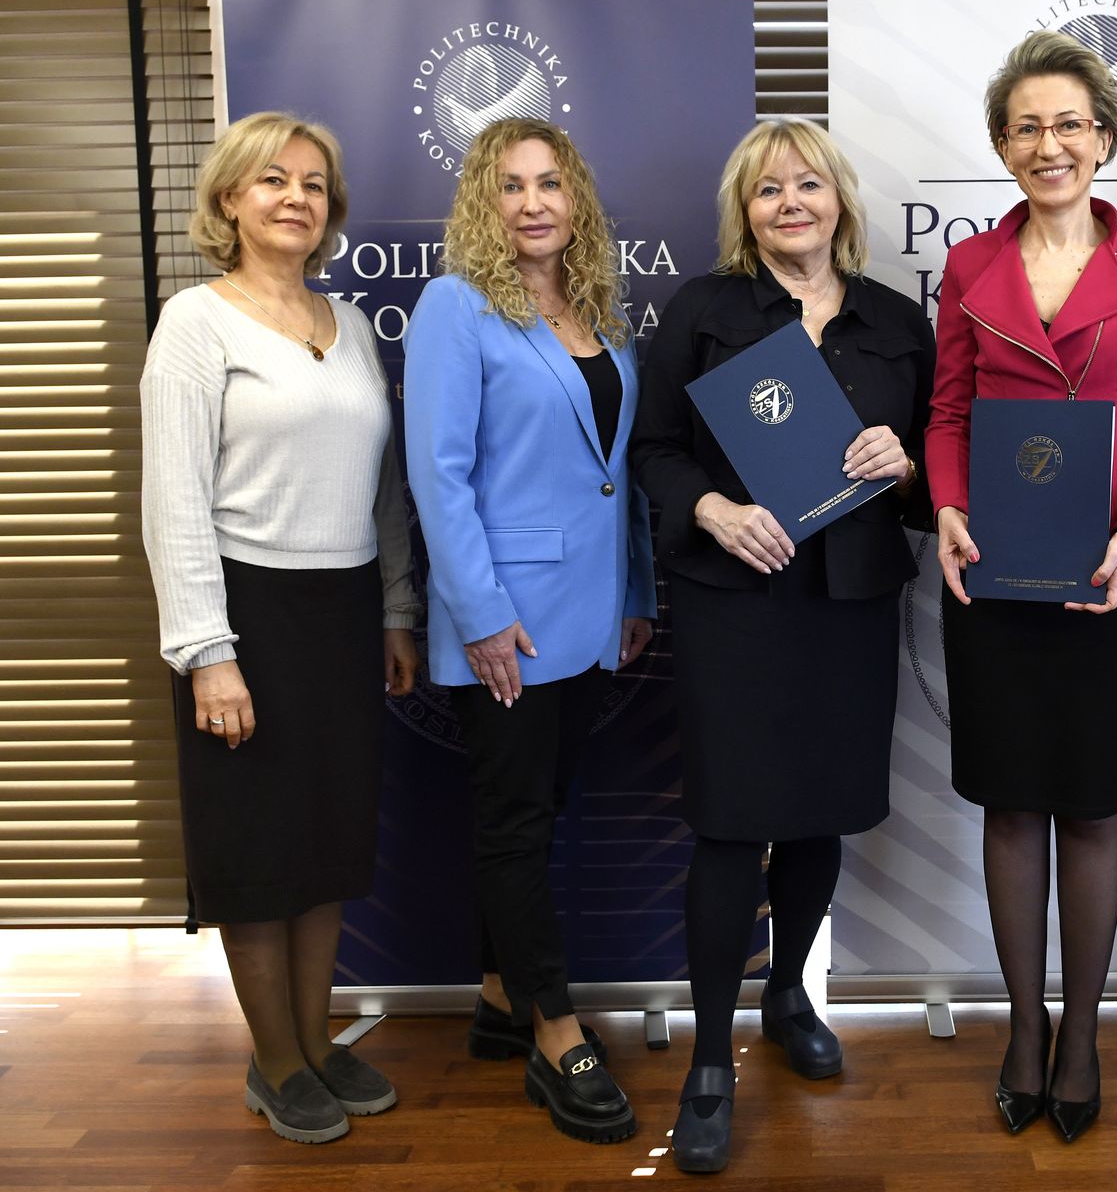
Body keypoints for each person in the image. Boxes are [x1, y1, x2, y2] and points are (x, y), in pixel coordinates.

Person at [630, 118, 934, 1173]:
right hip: (735, 604)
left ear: (838, 197)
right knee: (730, 825)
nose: (790, 202)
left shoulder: (896, 321)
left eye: (808, 184)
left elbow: (935, 477)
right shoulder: (705, 311)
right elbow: (653, 449)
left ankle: (789, 991)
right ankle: (710, 1059)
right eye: (768, 190)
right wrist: (711, 508)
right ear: (744, 212)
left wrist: (905, 465)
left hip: (849, 605)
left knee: (818, 816)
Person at [924, 31, 1117, 1143]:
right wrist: (948, 505)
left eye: (1070, 124)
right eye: (1027, 126)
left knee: (1088, 805)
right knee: (1010, 802)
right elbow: (947, 413)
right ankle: (1023, 1028)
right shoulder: (968, 268)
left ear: (1104, 138)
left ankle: (1081, 1034)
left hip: (1107, 572)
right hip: (994, 573)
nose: (1050, 145)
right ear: (1002, 145)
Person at [140, 111, 421, 1144]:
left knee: (326, 842)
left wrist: (395, 608)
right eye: (271, 179)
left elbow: (383, 487)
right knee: (258, 852)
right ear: (228, 199)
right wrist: (207, 654)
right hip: (244, 614)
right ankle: (274, 1060)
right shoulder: (195, 323)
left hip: (342, 612)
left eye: (312, 183)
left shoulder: (350, 324)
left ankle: (315, 1038)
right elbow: (172, 500)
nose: (295, 196)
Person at [403, 117, 655, 1145]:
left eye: (550, 182)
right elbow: (439, 474)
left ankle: (502, 993)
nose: (534, 202)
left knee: (539, 810)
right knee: (515, 822)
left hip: (591, 617)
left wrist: (637, 592)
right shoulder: (456, 307)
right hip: (507, 619)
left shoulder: (598, 310)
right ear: (484, 202)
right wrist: (481, 615)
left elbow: (618, 474)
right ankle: (557, 1033)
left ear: (575, 196)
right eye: (510, 185)